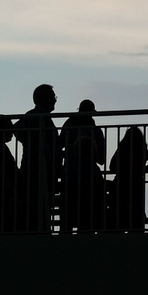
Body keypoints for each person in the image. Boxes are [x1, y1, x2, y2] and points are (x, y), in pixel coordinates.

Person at [14, 84, 60, 232]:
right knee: (35, 204)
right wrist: (34, 144)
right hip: (36, 169)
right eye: (53, 97)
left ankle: (41, 229)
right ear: (44, 99)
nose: (55, 101)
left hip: (42, 168)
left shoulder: (42, 117)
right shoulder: (35, 116)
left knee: (40, 204)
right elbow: (17, 130)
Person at [108, 126, 148, 232]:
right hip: (136, 187)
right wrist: (143, 169)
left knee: (117, 220)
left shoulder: (122, 150)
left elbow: (112, 166)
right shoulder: (143, 151)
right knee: (137, 222)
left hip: (119, 186)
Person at [60, 99, 107, 233]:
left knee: (67, 213)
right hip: (89, 179)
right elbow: (102, 159)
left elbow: (59, 146)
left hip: (69, 177)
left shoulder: (68, 126)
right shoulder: (96, 131)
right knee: (89, 214)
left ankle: (64, 239)